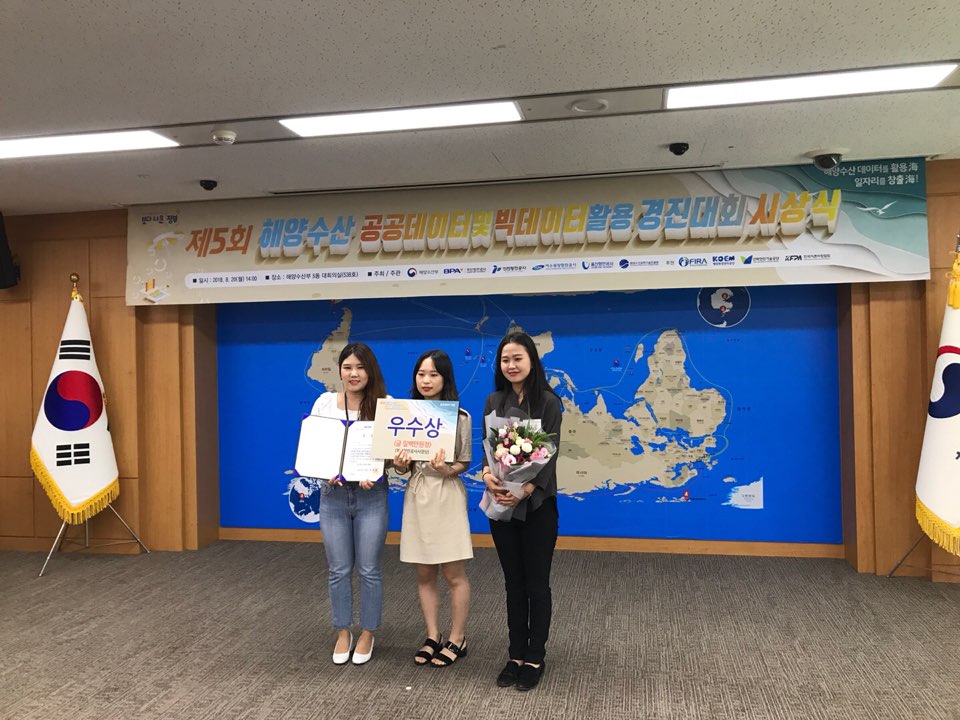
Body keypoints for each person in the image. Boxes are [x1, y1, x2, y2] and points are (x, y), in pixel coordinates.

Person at [481, 331, 562, 692]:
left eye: (517, 358)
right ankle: (515, 654)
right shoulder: (493, 401)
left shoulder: (548, 402)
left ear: (531, 361)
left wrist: (526, 489)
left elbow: (550, 455)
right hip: (501, 506)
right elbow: (487, 452)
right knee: (512, 582)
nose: (511, 365)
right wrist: (489, 477)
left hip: (538, 507)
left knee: (536, 584)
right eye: (505, 360)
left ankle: (535, 657)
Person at [393, 350, 473, 668]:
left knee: (454, 574)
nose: (426, 380)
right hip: (417, 495)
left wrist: (446, 469)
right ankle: (432, 635)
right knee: (424, 573)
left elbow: (464, 462)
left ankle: (457, 637)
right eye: (421, 374)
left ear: (445, 378)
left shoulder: (460, 417)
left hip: (446, 494)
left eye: (433, 374)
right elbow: (401, 467)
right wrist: (400, 464)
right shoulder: (403, 415)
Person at [312, 342, 389, 666]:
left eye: (360, 367)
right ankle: (343, 631)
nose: (353, 373)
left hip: (372, 496)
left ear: (370, 371)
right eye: (347, 367)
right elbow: (314, 446)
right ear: (340, 371)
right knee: (338, 569)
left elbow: (390, 454)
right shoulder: (325, 402)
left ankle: (368, 632)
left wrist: (377, 469)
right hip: (333, 496)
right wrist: (323, 470)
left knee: (369, 569)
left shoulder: (385, 406)